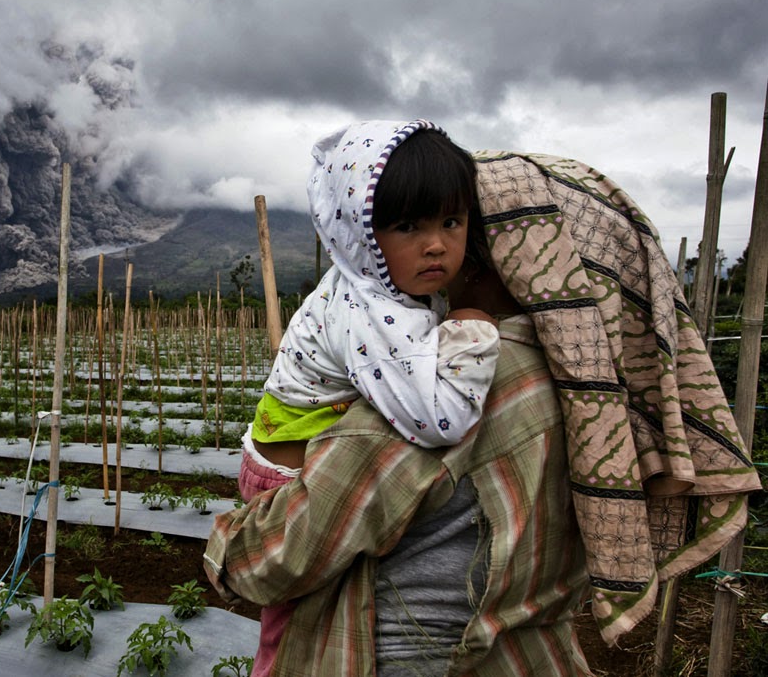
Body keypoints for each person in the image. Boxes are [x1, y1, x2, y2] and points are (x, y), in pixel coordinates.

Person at [206, 146, 762, 676]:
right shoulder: (600, 396)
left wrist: (224, 554)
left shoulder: (452, 383)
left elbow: (282, 554)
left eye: (458, 227)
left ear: (496, 257)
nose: (443, 253)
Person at [237, 120, 501, 676]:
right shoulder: (372, 311)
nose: (437, 244)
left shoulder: (384, 285)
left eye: (451, 221)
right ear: (359, 231)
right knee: (296, 621)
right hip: (287, 482)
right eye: (408, 226)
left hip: (295, 451)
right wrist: (472, 331)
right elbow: (438, 420)